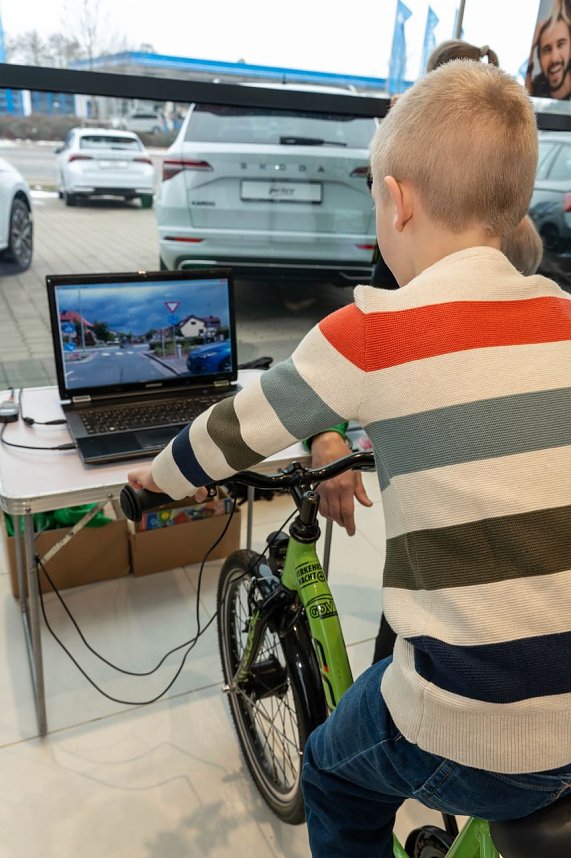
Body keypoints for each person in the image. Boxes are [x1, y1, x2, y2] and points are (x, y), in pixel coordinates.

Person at [128, 61, 571, 856]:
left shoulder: (371, 331)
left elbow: (226, 434)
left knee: (330, 772)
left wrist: (152, 484)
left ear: (396, 202)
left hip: (475, 731)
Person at [526, 12, 571, 99]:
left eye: (560, 45)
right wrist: (531, 48)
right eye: (547, 50)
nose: (554, 58)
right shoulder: (536, 90)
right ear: (539, 58)